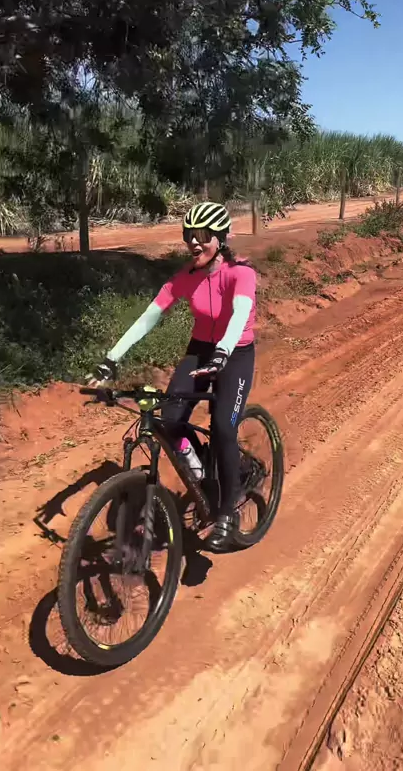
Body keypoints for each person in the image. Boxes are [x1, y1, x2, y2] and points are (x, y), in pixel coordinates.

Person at [93, 202, 257, 552]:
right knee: (169, 419)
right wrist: (111, 358)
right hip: (200, 350)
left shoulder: (241, 273)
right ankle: (203, 476)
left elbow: (240, 314)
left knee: (223, 428)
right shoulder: (186, 277)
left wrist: (224, 352)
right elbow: (149, 316)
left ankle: (228, 512)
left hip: (236, 354)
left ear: (220, 239)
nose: (194, 243)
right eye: (188, 235)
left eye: (203, 235)